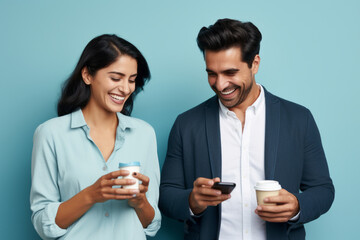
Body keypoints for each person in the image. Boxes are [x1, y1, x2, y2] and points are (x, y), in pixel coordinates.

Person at [159, 19, 334, 240]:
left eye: (230, 72)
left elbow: (323, 190)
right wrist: (193, 201)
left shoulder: (299, 119)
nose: (220, 85)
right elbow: (166, 196)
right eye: (212, 73)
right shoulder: (186, 124)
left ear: (255, 64)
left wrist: (297, 206)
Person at [30, 34, 161, 239]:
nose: (125, 88)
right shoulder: (50, 134)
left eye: (132, 80)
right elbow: (43, 224)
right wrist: (91, 195)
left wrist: (140, 202)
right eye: (116, 78)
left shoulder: (145, 134)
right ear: (87, 75)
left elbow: (151, 225)